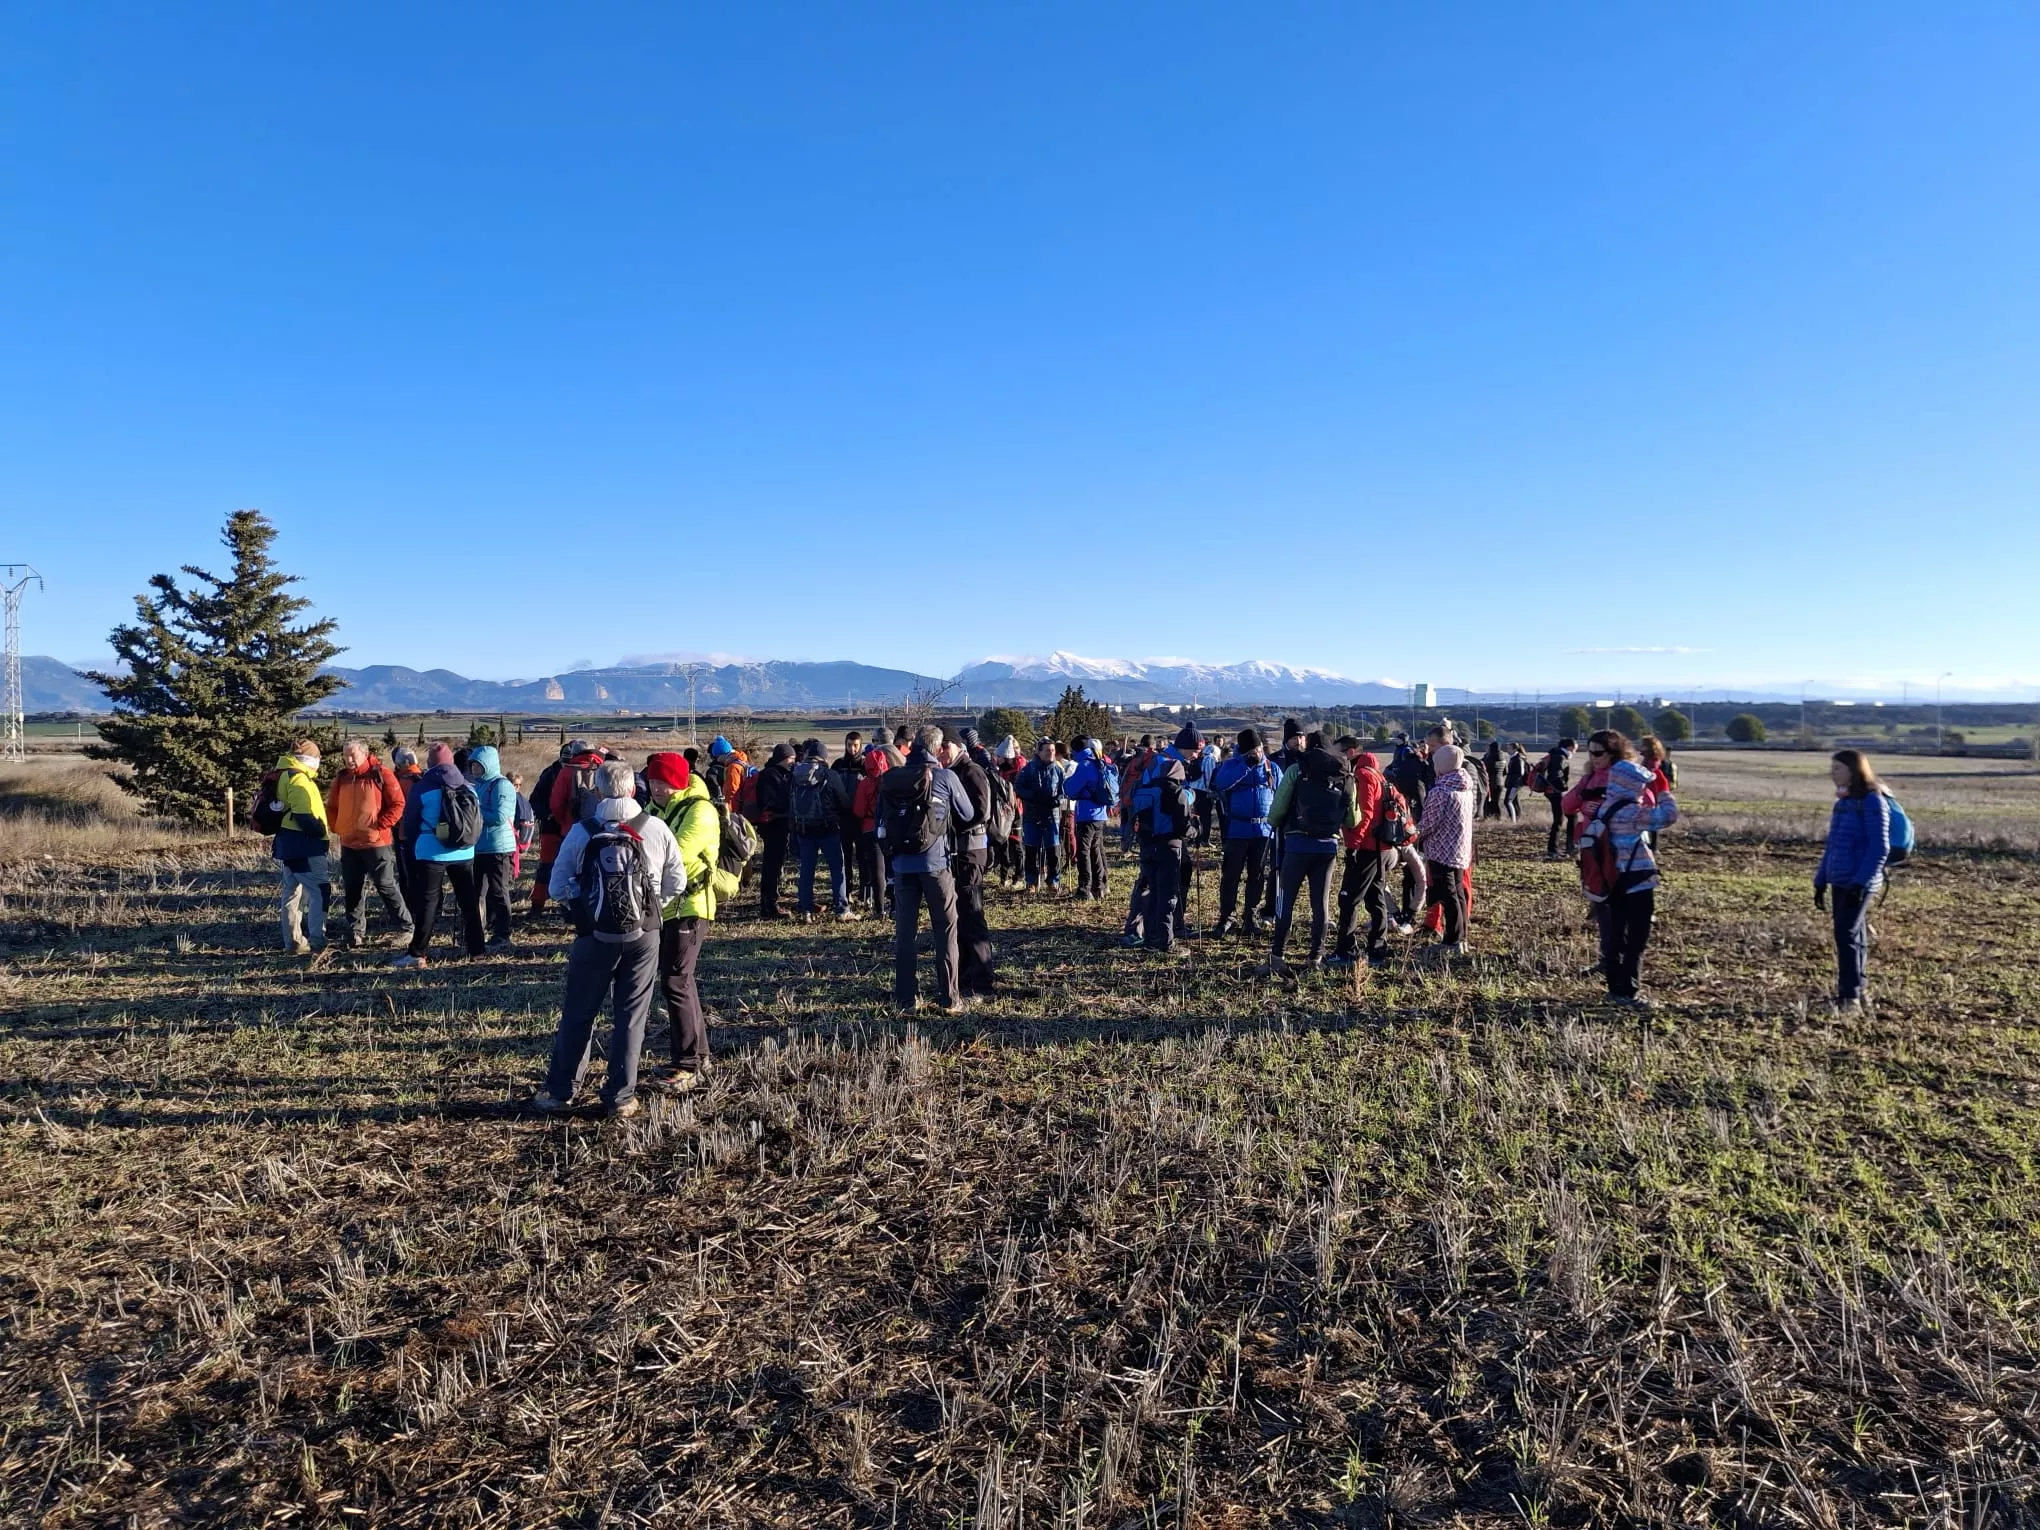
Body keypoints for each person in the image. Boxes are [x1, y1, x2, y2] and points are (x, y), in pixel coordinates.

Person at [531, 762, 686, 1117]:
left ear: (598, 792)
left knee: (579, 1012)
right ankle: (620, 1096)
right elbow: (677, 881)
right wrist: (651, 905)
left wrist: (584, 903)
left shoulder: (583, 831)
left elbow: (556, 886)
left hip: (594, 934)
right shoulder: (656, 828)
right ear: (634, 790)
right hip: (644, 935)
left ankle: (560, 1091)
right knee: (631, 1015)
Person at [644, 751, 724, 1089]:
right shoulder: (652, 811)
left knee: (676, 981)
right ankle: (698, 1056)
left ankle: (688, 1063)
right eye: (652, 781)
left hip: (691, 906)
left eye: (663, 781)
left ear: (678, 781)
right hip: (663, 908)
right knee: (679, 981)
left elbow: (675, 854)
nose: (656, 787)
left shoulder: (700, 811)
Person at [882, 726, 976, 1011]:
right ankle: (949, 998)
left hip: (901, 865)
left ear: (911, 748)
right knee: (945, 930)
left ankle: (906, 999)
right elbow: (968, 814)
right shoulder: (946, 777)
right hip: (936, 864)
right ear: (937, 749)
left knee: (905, 933)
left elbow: (880, 821)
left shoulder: (890, 779)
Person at [1576, 757, 1680, 1005]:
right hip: (1636, 881)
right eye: (1642, 785)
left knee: (1617, 934)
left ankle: (1615, 987)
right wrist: (1663, 790)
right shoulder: (1630, 812)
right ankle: (1628, 990)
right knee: (1637, 938)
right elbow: (1668, 816)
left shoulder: (1605, 807)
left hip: (1613, 881)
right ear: (1632, 786)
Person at [1264, 732, 1356, 970]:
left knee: (1285, 901)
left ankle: (1277, 957)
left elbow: (1277, 810)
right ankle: (1315, 957)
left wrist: (1274, 821)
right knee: (1321, 904)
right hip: (1328, 847)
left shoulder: (1297, 770)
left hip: (1297, 845)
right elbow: (1353, 819)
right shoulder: (1344, 774)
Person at [394, 742, 485, 968]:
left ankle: (418, 953)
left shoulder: (423, 787)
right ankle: (477, 951)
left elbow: (412, 822)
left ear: (430, 763)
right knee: (468, 901)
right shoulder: (468, 786)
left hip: (431, 853)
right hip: (464, 851)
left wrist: (416, 845)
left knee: (428, 903)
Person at [1815, 749, 1891, 1014]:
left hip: (1859, 882)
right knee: (1852, 935)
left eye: (1837, 768)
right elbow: (1833, 845)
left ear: (1853, 770)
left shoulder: (1872, 801)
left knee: (1845, 935)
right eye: (1832, 768)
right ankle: (1858, 990)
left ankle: (1850, 999)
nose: (1832, 773)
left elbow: (1880, 848)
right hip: (1840, 879)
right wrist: (1820, 880)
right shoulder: (1843, 803)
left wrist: (1861, 883)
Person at [325, 739, 413, 949]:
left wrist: (380, 825)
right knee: (353, 888)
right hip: (349, 844)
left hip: (376, 844)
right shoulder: (342, 777)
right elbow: (332, 805)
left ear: (364, 753)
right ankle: (355, 932)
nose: (348, 759)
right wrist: (337, 827)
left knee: (386, 886)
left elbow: (398, 804)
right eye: (345, 755)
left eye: (352, 755)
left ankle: (406, 928)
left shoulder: (381, 774)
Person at [1328, 740, 1397, 968]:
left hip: (1367, 848)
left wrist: (1353, 845)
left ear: (1350, 755)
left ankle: (1346, 950)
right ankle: (1377, 949)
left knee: (1349, 899)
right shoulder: (1380, 776)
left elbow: (1365, 813)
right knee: (1375, 897)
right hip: (1383, 848)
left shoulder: (1363, 776)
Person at [941, 738, 998, 998]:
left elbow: (981, 811)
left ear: (957, 746)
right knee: (961, 916)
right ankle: (965, 977)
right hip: (958, 852)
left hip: (971, 852)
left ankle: (983, 983)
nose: (941, 752)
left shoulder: (971, 771)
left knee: (972, 915)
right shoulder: (952, 772)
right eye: (939, 747)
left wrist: (950, 818)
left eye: (945, 747)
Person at [1209, 728, 1277, 937]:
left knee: (1257, 876)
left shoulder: (1271, 767)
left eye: (1257, 749)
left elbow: (1282, 794)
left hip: (1264, 831)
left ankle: (1251, 916)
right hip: (1237, 829)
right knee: (1231, 875)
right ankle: (1227, 917)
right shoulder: (1231, 765)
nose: (1256, 753)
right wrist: (1245, 767)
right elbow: (1221, 784)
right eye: (1251, 751)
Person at [1126, 740, 1193, 952]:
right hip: (1169, 847)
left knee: (1152, 893)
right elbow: (1184, 827)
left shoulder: (1145, 789)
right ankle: (1166, 943)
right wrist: (1195, 831)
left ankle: (1150, 939)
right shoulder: (1175, 792)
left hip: (1147, 846)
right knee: (1168, 896)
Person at [267, 739, 331, 955]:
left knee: (291, 892)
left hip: (287, 843)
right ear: (312, 760)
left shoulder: (284, 774)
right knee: (319, 891)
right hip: (305, 845)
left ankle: (293, 941)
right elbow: (304, 814)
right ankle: (317, 940)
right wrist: (320, 832)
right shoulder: (300, 779)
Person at [1416, 743, 1476, 956]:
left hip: (1441, 850)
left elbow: (1428, 824)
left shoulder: (1440, 791)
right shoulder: (1465, 787)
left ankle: (1451, 940)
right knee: (1458, 893)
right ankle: (1461, 937)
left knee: (1447, 894)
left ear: (1440, 766)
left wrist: (1410, 831)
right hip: (1460, 849)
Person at [789, 740, 857, 922]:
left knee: (806, 870)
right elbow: (843, 802)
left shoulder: (795, 774)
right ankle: (842, 909)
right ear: (824, 756)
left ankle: (806, 910)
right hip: (828, 828)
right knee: (837, 868)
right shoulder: (829, 775)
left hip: (803, 829)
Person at [465, 744, 519, 950]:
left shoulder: (501, 785)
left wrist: (473, 814)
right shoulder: (477, 785)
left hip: (498, 846)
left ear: (487, 765)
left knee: (498, 891)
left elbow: (499, 816)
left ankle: (503, 933)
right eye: (472, 765)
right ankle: (477, 930)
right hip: (479, 846)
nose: (474, 769)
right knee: (477, 892)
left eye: (478, 765)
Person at [1062, 738, 1120, 900]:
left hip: (1086, 814)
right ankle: (1100, 886)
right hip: (1100, 814)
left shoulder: (1085, 765)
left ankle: (1084, 889)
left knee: (1084, 852)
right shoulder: (1099, 762)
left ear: (1077, 751)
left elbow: (1071, 790)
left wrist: (1066, 783)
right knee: (1096, 850)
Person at [1013, 738, 1070, 893]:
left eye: (1052, 750)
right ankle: (1031, 882)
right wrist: (1032, 795)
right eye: (1047, 750)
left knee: (1053, 851)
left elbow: (1063, 790)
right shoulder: (1028, 769)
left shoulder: (1058, 770)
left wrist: (1057, 800)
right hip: (1032, 816)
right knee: (1031, 850)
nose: (1051, 753)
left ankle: (1053, 881)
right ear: (1038, 752)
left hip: (1052, 816)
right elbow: (1018, 787)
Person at [750, 742, 796, 919]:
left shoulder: (771, 773)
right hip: (774, 825)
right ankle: (769, 905)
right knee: (772, 866)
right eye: (791, 758)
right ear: (783, 758)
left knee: (773, 865)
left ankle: (769, 902)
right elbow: (776, 802)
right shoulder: (772, 776)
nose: (793, 762)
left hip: (773, 825)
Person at [389, 745, 424, 906]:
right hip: (424, 831)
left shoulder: (396, 781)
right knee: (424, 868)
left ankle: (409, 904)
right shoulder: (423, 778)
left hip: (402, 831)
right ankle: (430, 903)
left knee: (406, 870)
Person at [833, 731, 866, 901]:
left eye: (856, 745)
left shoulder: (866, 764)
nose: (852, 749)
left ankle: (864, 890)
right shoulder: (838, 765)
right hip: (843, 819)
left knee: (862, 857)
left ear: (861, 746)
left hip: (861, 819)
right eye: (849, 745)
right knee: (844, 858)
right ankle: (847, 891)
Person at [1540, 737, 1577, 857]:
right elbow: (1556, 776)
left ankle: (1556, 848)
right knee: (1568, 818)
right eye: (1575, 749)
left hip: (1550, 791)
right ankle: (1567, 847)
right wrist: (1564, 788)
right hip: (1556, 792)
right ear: (1570, 747)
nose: (1575, 752)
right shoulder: (1560, 757)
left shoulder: (1554, 754)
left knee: (1559, 819)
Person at [1503, 743, 1527, 822]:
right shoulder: (1513, 758)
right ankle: (1517, 818)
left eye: (1509, 748)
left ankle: (1512, 820)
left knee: (1507, 801)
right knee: (1514, 801)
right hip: (1513, 783)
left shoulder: (1518, 758)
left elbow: (1521, 772)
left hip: (1515, 784)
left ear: (1515, 749)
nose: (1507, 750)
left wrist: (1513, 780)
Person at [1482, 740, 1505, 820]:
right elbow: (1506, 771)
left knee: (1488, 801)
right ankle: (1498, 818)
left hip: (1491, 782)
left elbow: (1485, 769)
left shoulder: (1490, 758)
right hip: (1500, 782)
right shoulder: (1502, 758)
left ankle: (1487, 817)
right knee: (1496, 802)